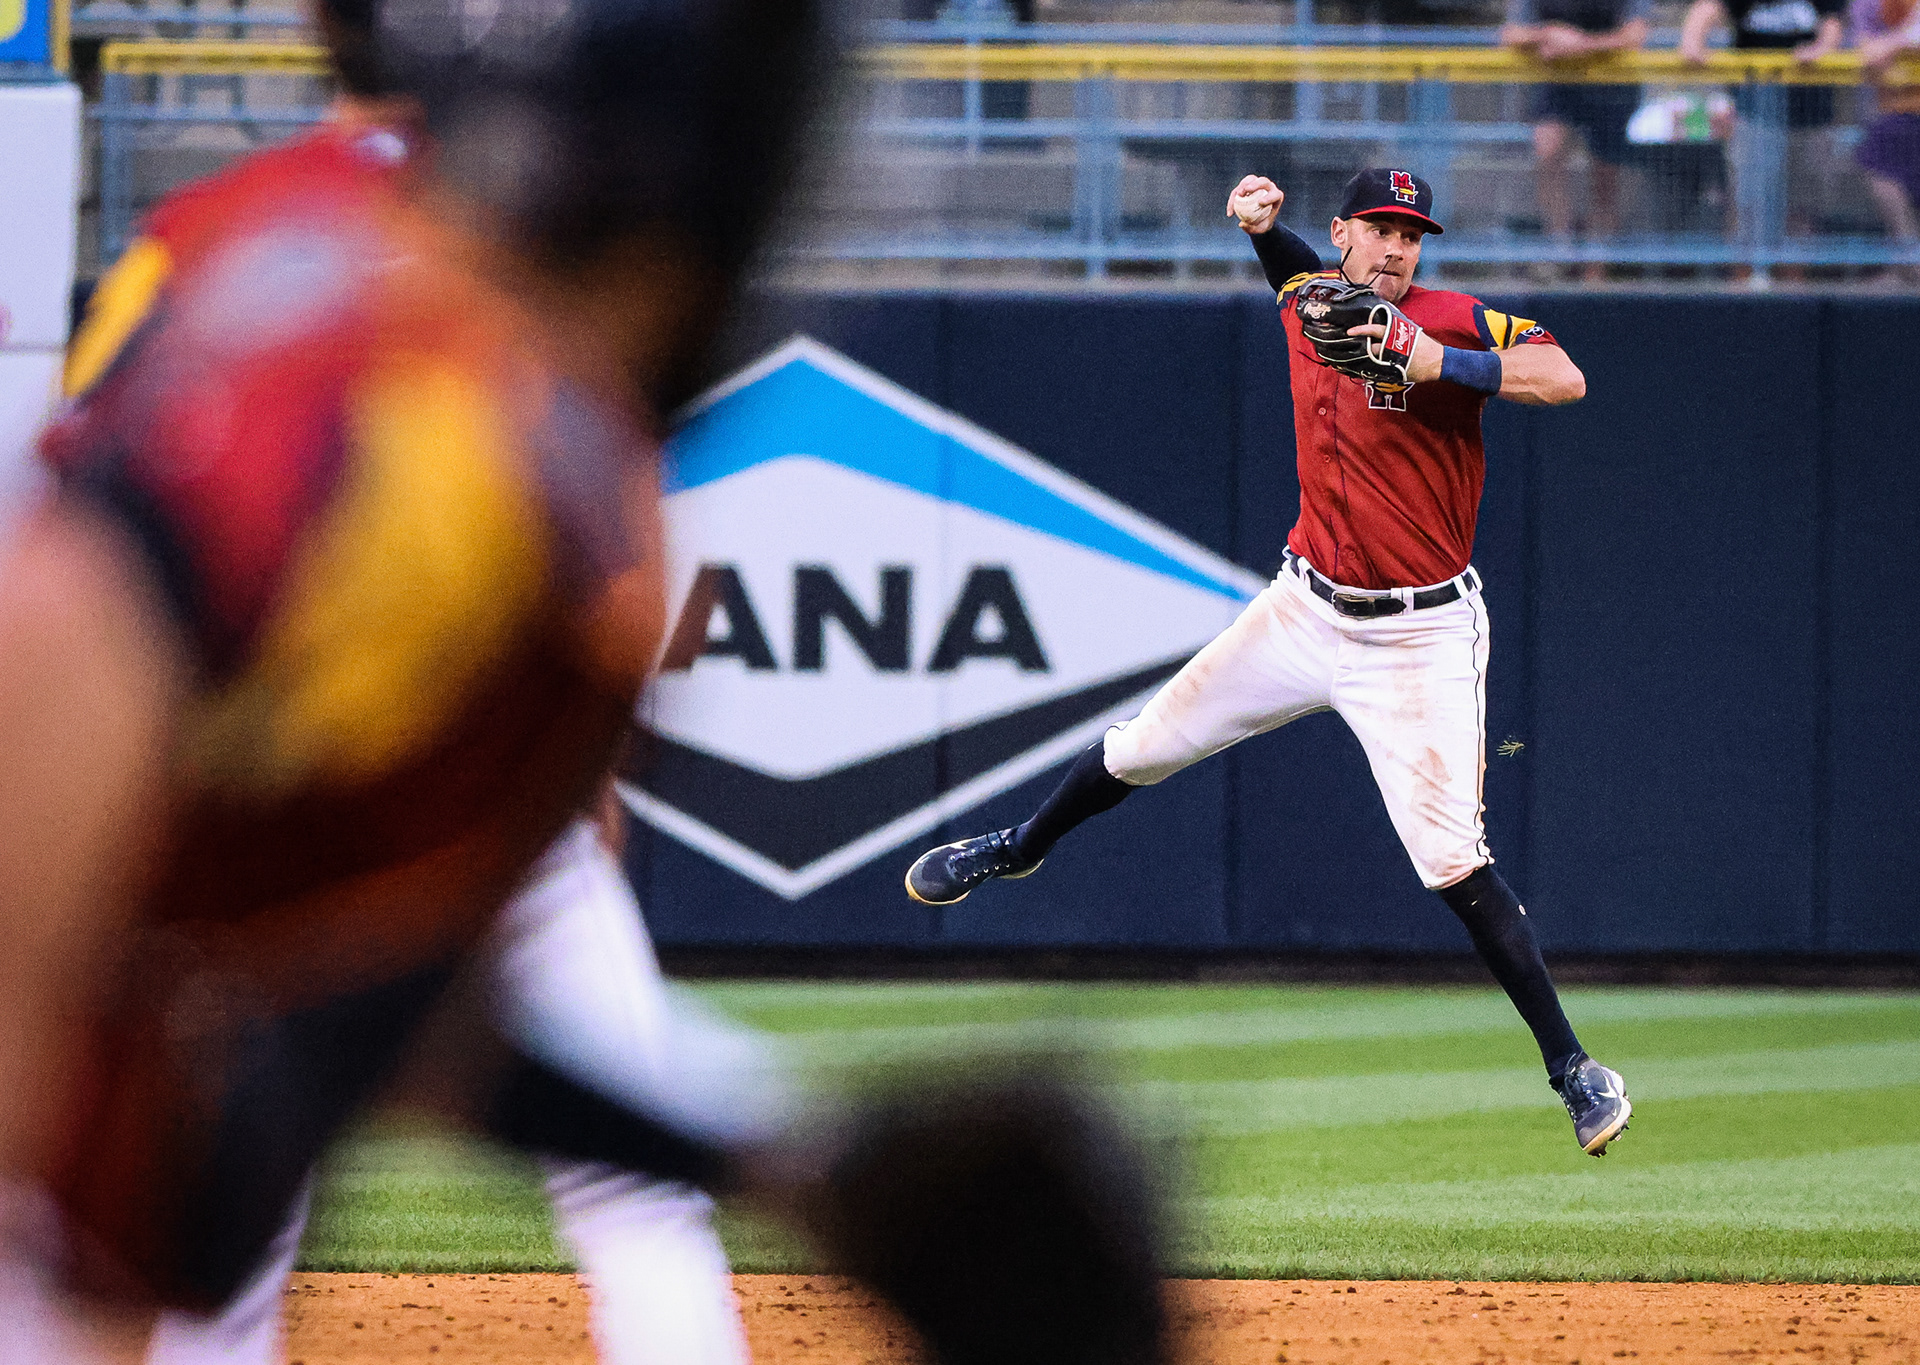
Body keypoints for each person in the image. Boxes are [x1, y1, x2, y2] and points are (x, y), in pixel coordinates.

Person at [98, 25, 765, 1361]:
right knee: (643, 1197)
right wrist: (593, 774)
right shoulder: (527, 219)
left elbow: (106, 524)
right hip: (495, 800)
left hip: (268, 809)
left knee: (213, 1222)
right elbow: (611, 521)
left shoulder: (202, 237)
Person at [905, 168, 1632, 1160]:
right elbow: (1295, 279)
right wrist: (1262, 228)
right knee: (1142, 745)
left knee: (1454, 862)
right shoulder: (1316, 299)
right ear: (1342, 235)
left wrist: (1439, 363)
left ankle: (1575, 1071)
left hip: (1419, 635)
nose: (1396, 249)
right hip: (1303, 607)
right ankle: (1022, 845)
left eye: (1412, 235)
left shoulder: (1457, 317)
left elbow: (1566, 376)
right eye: (1379, 230)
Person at [1680, 0, 1846, 266]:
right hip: (1753, 115)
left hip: (1810, 115)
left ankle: (1794, 298)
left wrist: (1821, 49)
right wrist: (1691, 41)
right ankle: (1742, 296)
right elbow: (1708, 8)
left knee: (1801, 214)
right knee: (1746, 208)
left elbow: (1832, 22)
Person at [1502, 0, 1652, 281]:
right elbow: (1511, 34)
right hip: (1559, 82)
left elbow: (1635, 36)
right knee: (1547, 152)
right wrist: (1548, 35)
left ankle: (1596, 267)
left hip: (1612, 84)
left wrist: (1582, 44)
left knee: (1605, 178)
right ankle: (1561, 252)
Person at [1851, 0, 1920, 278]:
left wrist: (1897, 42)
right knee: (1877, 161)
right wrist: (1904, 38)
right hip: (1896, 108)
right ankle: (1909, 261)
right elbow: (1868, 53)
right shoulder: (1866, 4)